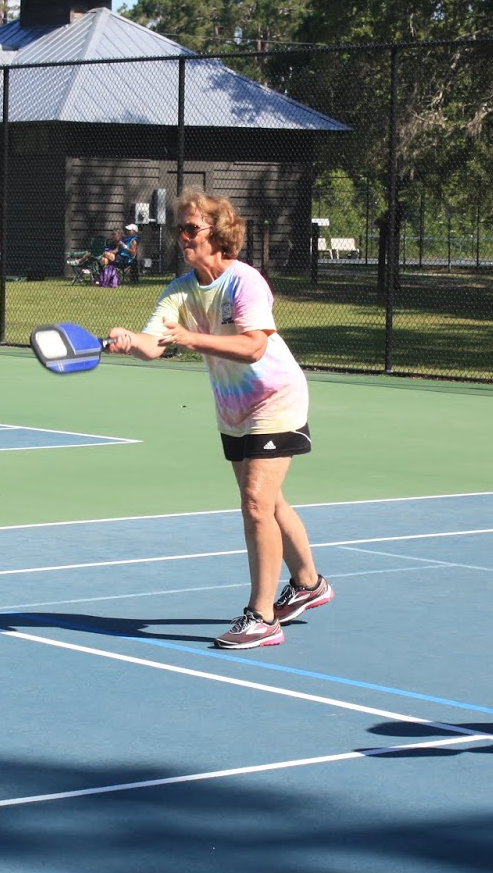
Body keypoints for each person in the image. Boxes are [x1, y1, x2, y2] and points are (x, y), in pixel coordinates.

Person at [106, 191, 332, 649]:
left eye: (192, 229)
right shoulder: (179, 290)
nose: (183, 237)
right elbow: (156, 343)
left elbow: (253, 346)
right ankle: (309, 584)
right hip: (234, 408)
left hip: (276, 397)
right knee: (268, 503)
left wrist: (191, 338)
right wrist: (131, 341)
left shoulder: (244, 282)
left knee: (254, 502)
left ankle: (261, 617)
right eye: (180, 230)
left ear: (219, 234)